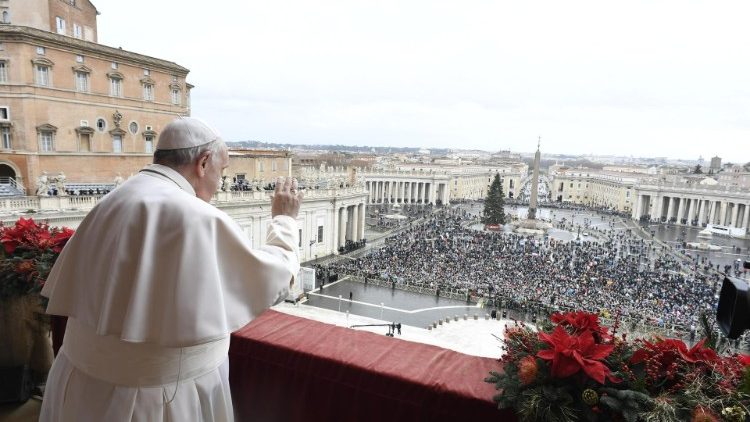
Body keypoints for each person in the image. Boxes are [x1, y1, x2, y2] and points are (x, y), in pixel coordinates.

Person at [39, 117, 303, 421]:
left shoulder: (111, 200)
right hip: (159, 399)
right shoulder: (196, 216)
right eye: (223, 171)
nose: (221, 183)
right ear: (203, 163)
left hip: (79, 383)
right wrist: (284, 221)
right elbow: (274, 277)